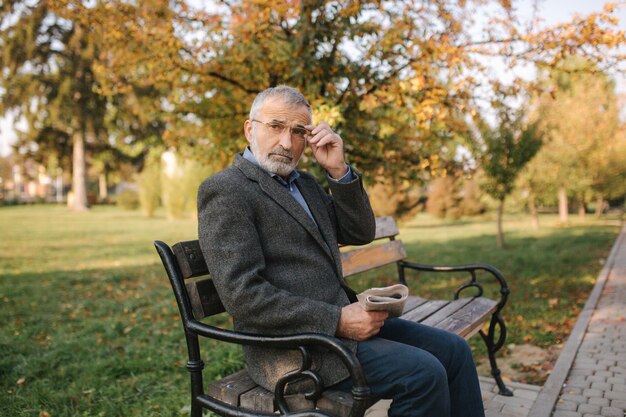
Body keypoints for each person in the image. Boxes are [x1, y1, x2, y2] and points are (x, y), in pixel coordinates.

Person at [197, 85, 485, 417]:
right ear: (250, 129)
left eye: (298, 132)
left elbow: (360, 232)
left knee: (455, 350)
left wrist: (338, 170)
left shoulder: (303, 184)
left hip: (342, 323)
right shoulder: (226, 190)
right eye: (275, 126)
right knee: (423, 373)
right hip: (294, 349)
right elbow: (242, 295)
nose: (287, 143)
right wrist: (336, 320)